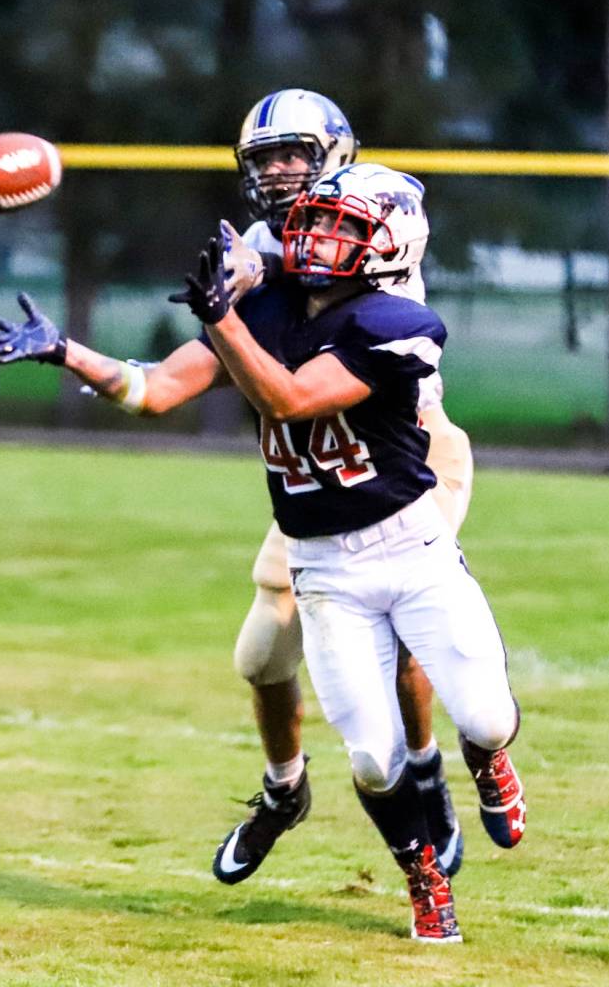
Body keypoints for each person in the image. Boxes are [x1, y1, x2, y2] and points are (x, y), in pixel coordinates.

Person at [0, 163, 526, 943]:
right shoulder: (264, 308)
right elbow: (157, 390)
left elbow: (288, 399)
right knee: (369, 759)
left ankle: (485, 756)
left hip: (412, 547)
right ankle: (424, 880)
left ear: (391, 243)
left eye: (342, 230)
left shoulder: (398, 322)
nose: (316, 239)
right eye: (314, 226)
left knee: (490, 716)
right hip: (325, 565)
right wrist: (68, 352)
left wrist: (224, 316)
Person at [209, 90, 475, 887]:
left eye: (294, 153)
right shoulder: (259, 240)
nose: (281, 171)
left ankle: (427, 772)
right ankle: (284, 790)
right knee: (260, 659)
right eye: (266, 159)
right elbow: (196, 363)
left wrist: (266, 261)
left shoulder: (375, 201)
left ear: (335, 150)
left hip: (407, 458)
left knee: (396, 634)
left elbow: (340, 246)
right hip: (315, 467)